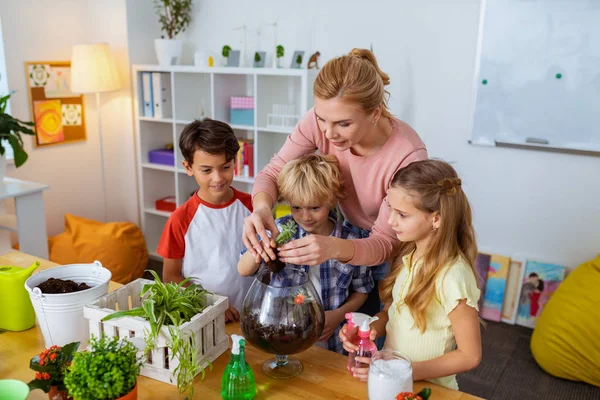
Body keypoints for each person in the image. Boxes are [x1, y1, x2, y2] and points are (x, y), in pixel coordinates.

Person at [242, 48, 427, 317]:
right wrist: (261, 209)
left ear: (375, 113)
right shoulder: (320, 122)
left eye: (343, 124)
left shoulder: (407, 156)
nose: (328, 133)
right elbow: (271, 173)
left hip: (393, 248)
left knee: (380, 330)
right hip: (348, 232)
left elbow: (385, 243)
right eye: (321, 118)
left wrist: (334, 248)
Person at [339, 160, 482, 390]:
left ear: (436, 218)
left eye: (402, 215)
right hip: (393, 383)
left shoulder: (453, 276)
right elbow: (392, 312)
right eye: (390, 209)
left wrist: (404, 372)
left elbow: (470, 355)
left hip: (430, 390)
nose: (390, 220)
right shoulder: (408, 255)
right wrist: (370, 329)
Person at [238, 154, 374, 354]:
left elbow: (362, 290)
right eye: (297, 207)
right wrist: (263, 247)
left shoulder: (350, 241)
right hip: (283, 338)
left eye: (315, 207)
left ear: (332, 199)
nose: (305, 216)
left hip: (331, 345)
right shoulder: (280, 229)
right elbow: (243, 269)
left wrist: (338, 315)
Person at [157, 118, 253, 323]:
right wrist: (211, 305)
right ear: (188, 167)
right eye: (207, 170)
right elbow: (171, 277)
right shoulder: (180, 219)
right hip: (202, 316)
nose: (217, 178)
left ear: (235, 161)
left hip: (250, 312)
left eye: (225, 167)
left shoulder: (252, 207)